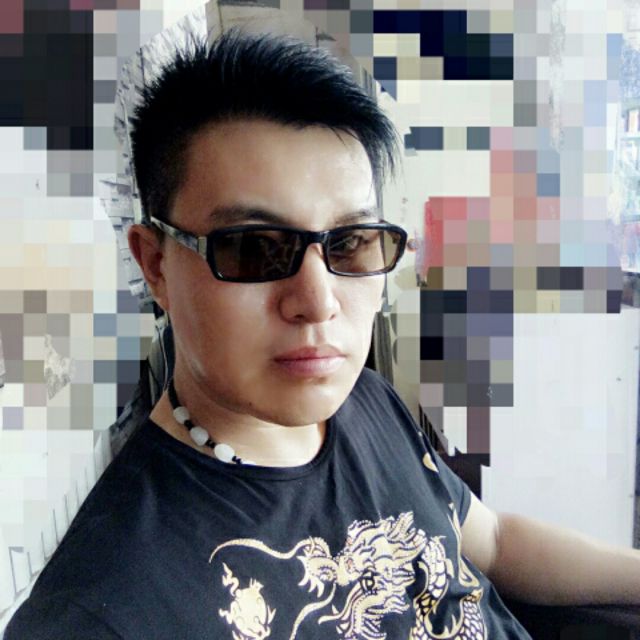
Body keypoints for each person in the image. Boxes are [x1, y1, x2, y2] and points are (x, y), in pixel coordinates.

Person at [5, 29, 640, 640]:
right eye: (253, 248)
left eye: (352, 242)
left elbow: (492, 541)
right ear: (155, 265)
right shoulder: (105, 611)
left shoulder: (367, 400)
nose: (318, 302)